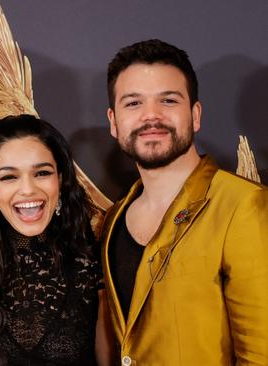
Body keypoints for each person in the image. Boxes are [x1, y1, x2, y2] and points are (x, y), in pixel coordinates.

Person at [102, 39, 268, 365]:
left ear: (194, 114)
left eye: (168, 100)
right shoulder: (113, 220)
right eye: (133, 103)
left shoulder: (244, 206)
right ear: (113, 121)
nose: (151, 116)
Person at [0, 114, 112, 365]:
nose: (27, 189)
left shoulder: (93, 265)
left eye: (42, 173)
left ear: (60, 179)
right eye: (8, 177)